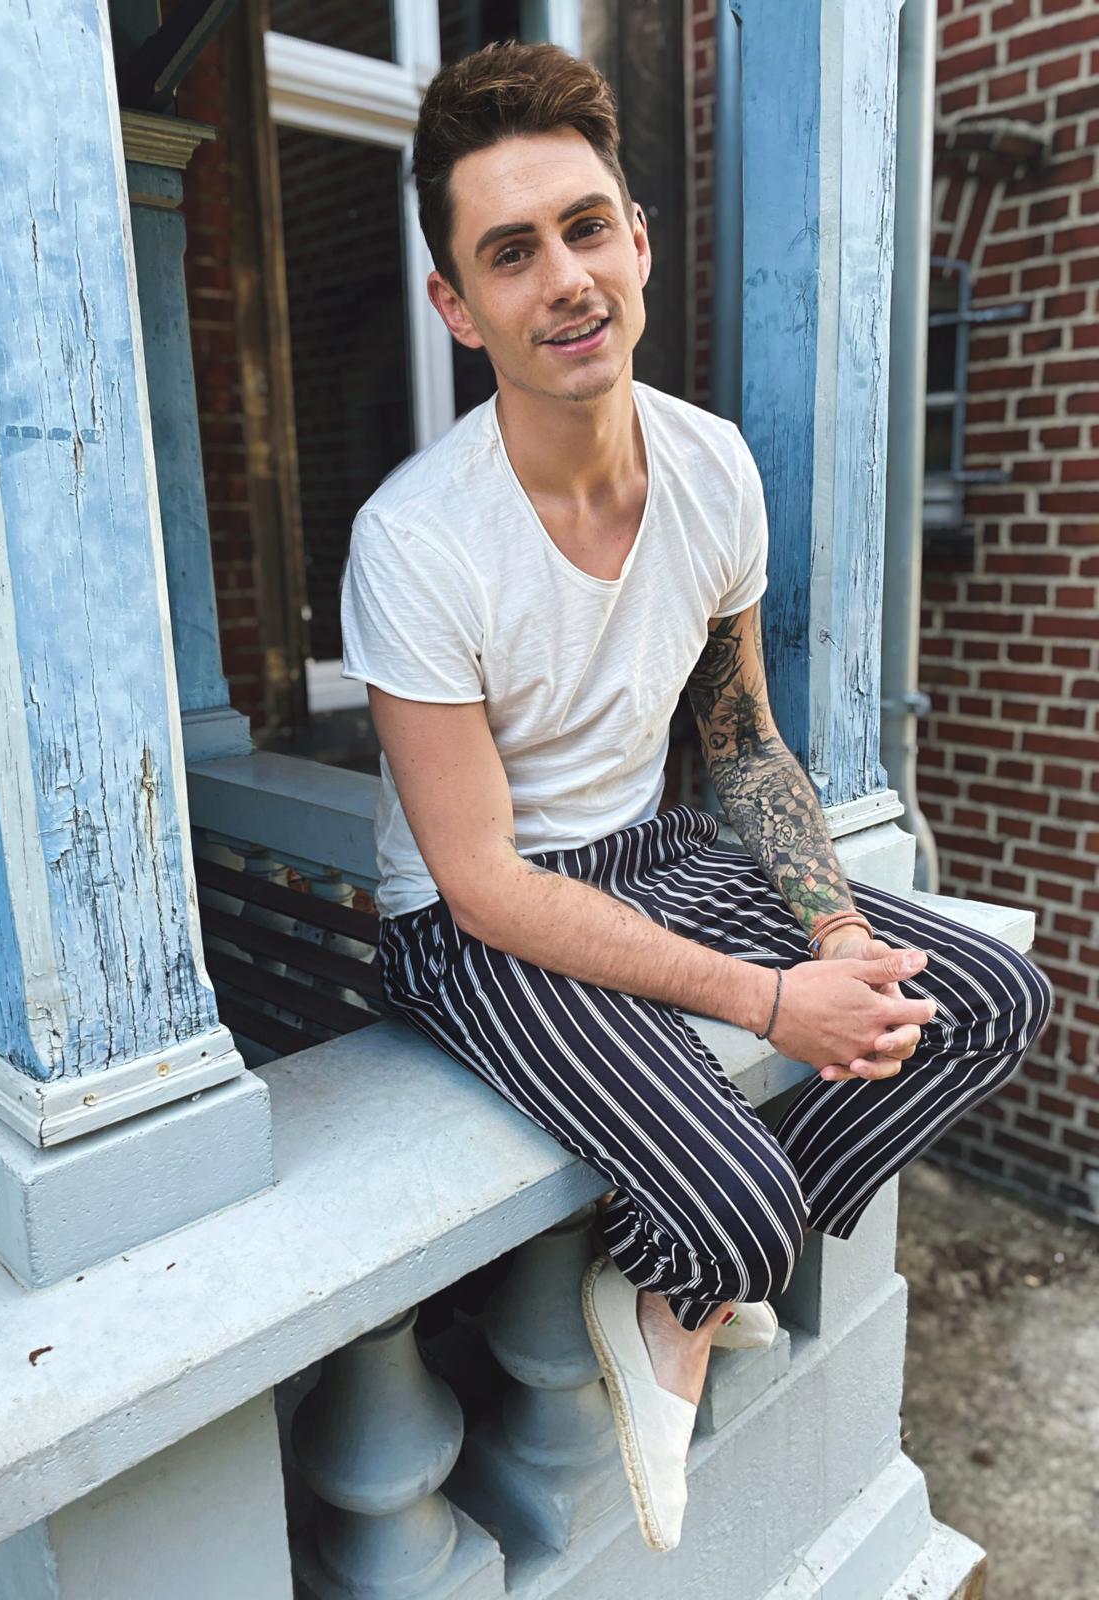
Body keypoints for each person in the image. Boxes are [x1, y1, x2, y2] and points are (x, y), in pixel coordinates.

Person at [337, 40, 1053, 1554]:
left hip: (657, 855)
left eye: (586, 227)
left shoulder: (715, 468)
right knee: (743, 1206)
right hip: (472, 926)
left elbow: (738, 741)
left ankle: (681, 1268)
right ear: (458, 307)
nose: (566, 279)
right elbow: (480, 880)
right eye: (511, 253)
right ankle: (702, 1254)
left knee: (984, 1000)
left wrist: (835, 934)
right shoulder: (416, 540)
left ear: (639, 242)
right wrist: (772, 1000)